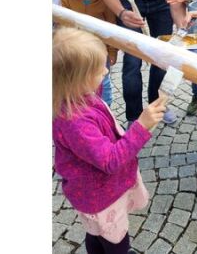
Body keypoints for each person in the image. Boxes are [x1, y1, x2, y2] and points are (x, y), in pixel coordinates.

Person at [52, 27, 167, 254]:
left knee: (97, 231)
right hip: (101, 195)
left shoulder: (77, 94)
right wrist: (141, 126)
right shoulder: (75, 121)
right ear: (78, 79)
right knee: (116, 241)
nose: (106, 71)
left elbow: (96, 84)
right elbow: (110, 160)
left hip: (95, 193)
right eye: (98, 70)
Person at [59, 0, 118, 106]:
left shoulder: (105, 1)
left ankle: (106, 108)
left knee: (103, 82)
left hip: (99, 50)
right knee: (75, 80)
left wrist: (112, 52)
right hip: (76, 49)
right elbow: (63, 25)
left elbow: (111, 27)